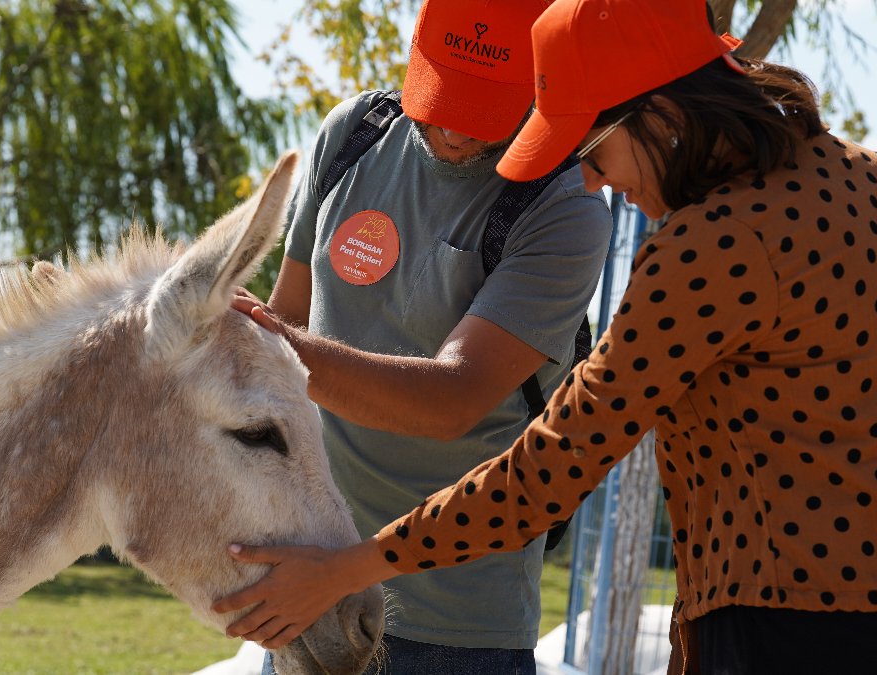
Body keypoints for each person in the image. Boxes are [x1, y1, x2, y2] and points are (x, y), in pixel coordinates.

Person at [216, 0, 877, 673]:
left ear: (661, 117)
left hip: (790, 633)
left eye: (593, 151)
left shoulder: (710, 248)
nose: (597, 184)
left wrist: (352, 567)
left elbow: (546, 469)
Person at [228, 0, 614, 672]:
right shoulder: (353, 135)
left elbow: (452, 399)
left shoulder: (564, 205)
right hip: (308, 589)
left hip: (457, 625)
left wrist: (261, 342)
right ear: (419, 51)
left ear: (540, 81)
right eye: (441, 97)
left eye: (482, 109)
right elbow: (286, 317)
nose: (455, 131)